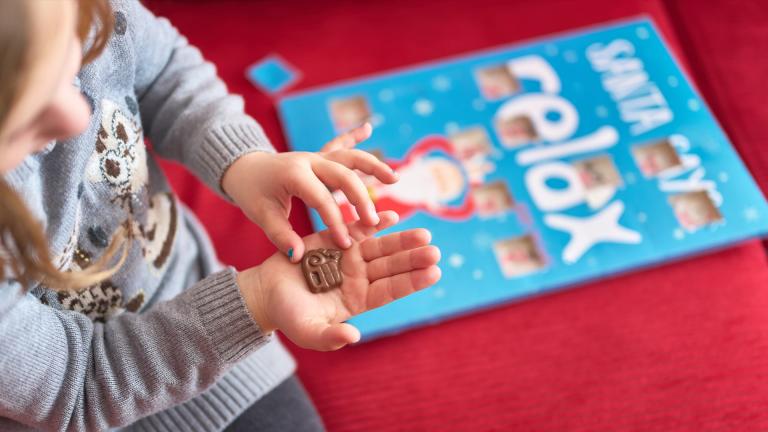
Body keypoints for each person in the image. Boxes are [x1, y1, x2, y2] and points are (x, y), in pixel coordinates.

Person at [0, 0, 442, 430]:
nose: (80, 117)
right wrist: (256, 301)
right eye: (26, 118)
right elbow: (75, 387)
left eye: (72, 63)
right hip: (67, 400)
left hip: (201, 318)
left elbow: (165, 75)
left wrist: (245, 162)